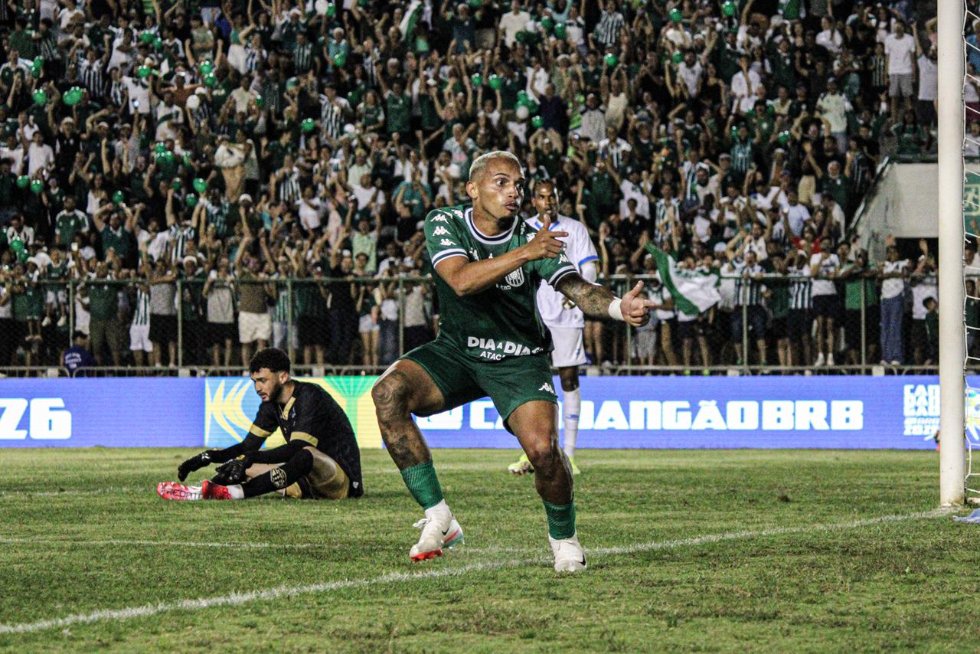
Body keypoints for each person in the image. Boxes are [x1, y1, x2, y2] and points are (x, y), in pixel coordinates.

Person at [370, 151, 653, 572]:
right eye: (501, 182)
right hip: (457, 352)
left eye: (518, 185)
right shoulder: (445, 222)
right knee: (388, 393)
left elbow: (576, 287)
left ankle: (564, 540)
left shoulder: (534, 238)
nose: (513, 192)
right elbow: (461, 281)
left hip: (518, 359)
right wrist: (526, 252)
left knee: (543, 451)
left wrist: (616, 308)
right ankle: (439, 516)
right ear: (472, 189)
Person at [158, 347, 363, 501]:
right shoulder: (270, 403)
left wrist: (248, 458)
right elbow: (248, 447)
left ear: (283, 376)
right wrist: (210, 456)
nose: (257, 387)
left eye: (262, 380)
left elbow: (297, 447)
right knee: (240, 466)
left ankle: (236, 493)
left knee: (305, 453)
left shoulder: (310, 395)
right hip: (304, 481)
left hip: (341, 481)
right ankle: (205, 491)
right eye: (254, 381)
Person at [508, 179, 598, 476]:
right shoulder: (522, 229)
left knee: (569, 379)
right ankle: (531, 450)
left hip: (566, 313)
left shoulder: (576, 228)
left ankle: (569, 454)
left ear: (558, 199)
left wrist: (581, 294)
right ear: (534, 200)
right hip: (532, 315)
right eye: (542, 197)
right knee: (531, 381)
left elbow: (588, 266)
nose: (548, 202)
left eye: (553, 197)